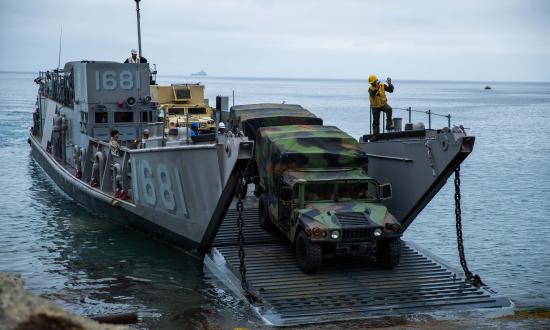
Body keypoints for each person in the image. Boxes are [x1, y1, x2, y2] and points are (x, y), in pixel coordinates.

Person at [368, 74, 394, 140]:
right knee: (376, 122)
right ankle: (375, 136)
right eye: (371, 83)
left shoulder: (382, 85)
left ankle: (388, 125)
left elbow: (390, 90)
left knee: (389, 109)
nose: (372, 84)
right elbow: (372, 94)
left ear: (375, 81)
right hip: (375, 107)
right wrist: (376, 88)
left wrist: (390, 84)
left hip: (383, 104)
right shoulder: (370, 89)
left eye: (373, 83)